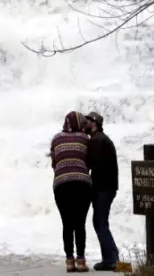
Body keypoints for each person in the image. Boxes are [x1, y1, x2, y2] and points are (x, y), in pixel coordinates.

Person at [51, 111, 94, 272]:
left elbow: (54, 163)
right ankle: (81, 260)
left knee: (67, 223)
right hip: (82, 183)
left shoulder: (56, 139)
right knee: (80, 223)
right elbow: (89, 161)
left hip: (61, 183)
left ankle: (69, 260)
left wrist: (64, 170)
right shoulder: (85, 139)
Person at [85, 111, 119, 271]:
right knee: (99, 222)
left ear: (94, 123)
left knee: (100, 222)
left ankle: (113, 259)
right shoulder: (100, 139)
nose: (84, 124)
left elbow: (93, 165)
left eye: (87, 121)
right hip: (106, 187)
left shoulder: (97, 140)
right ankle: (108, 259)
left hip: (103, 188)